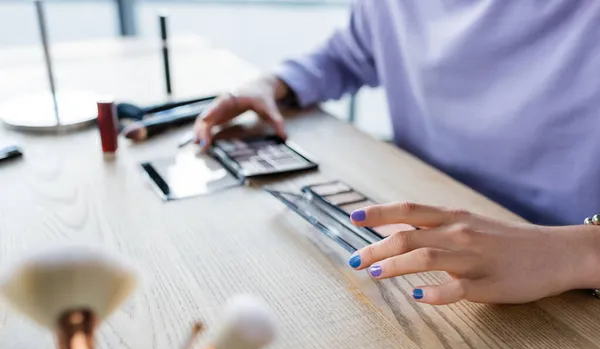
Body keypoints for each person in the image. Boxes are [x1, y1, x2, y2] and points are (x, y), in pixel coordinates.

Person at [194, 1, 600, 305]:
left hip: (562, 265)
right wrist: (274, 82)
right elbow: (349, 52)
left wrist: (576, 252)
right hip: (420, 215)